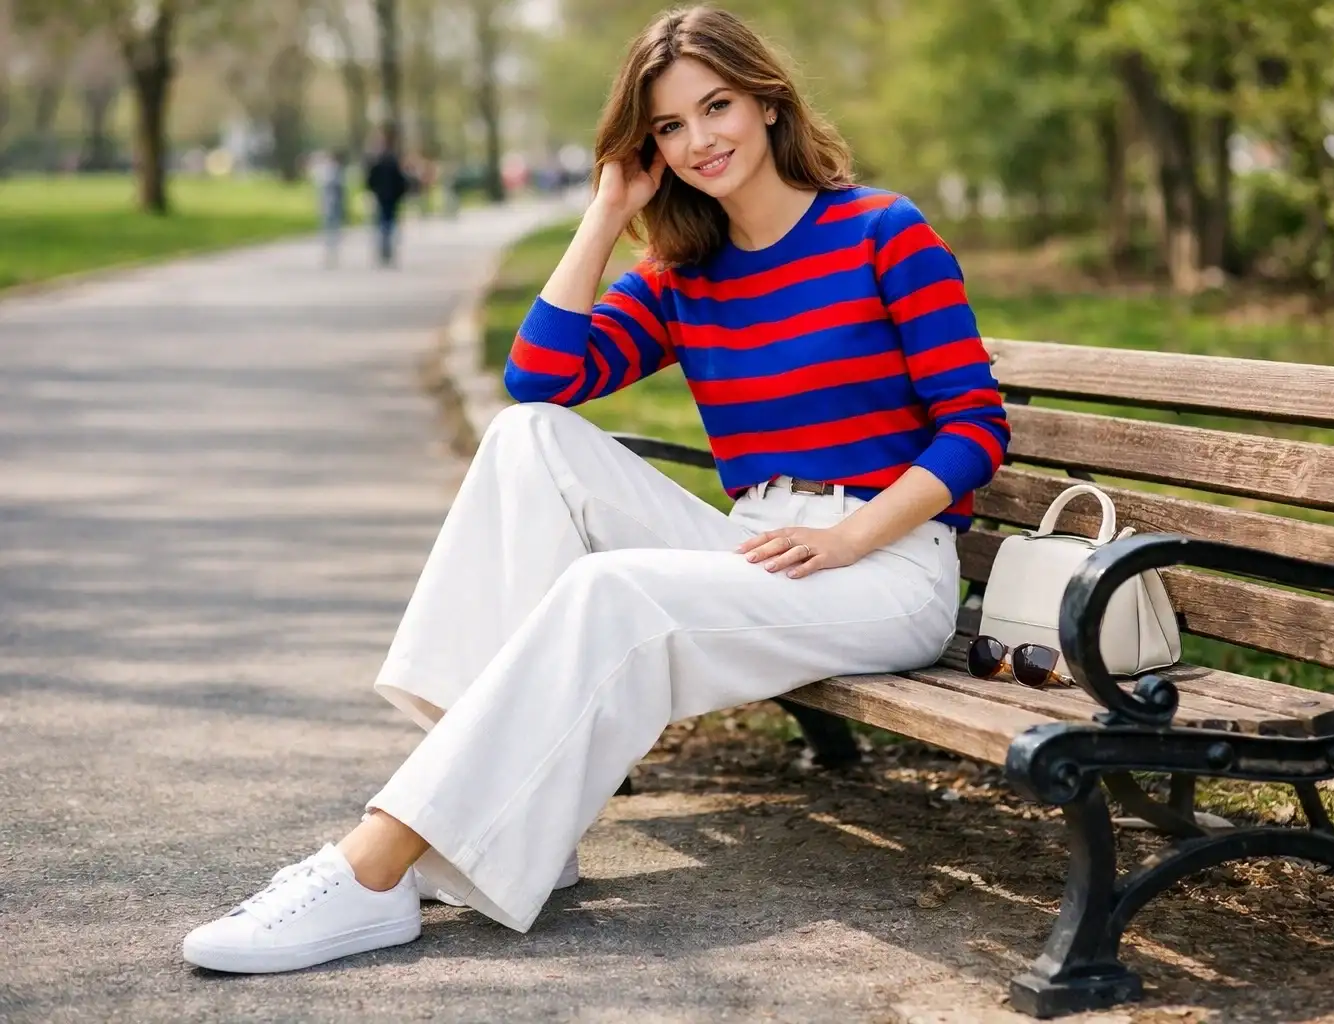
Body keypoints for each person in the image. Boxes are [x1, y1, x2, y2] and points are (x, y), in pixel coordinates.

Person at [181, 4, 1009, 975]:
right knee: (527, 436)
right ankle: (500, 811)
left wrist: (854, 536)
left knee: (608, 589)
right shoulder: (684, 274)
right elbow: (540, 378)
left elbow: (974, 427)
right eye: (667, 125)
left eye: (717, 106)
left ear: (768, 101)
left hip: (883, 571)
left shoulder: (881, 231)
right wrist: (607, 211)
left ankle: (374, 867)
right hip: (760, 547)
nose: (699, 140)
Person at [364, 125, 411, 267]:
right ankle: (387, 249)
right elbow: (400, 179)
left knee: (382, 223)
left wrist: (374, 189)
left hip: (383, 196)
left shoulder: (379, 159)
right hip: (390, 196)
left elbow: (370, 178)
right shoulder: (392, 160)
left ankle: (384, 249)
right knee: (388, 223)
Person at [314, 149, 348, 267]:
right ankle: (330, 252)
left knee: (331, 229)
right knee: (332, 229)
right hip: (331, 204)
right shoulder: (335, 172)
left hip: (330, 204)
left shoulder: (330, 172)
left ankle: (330, 252)